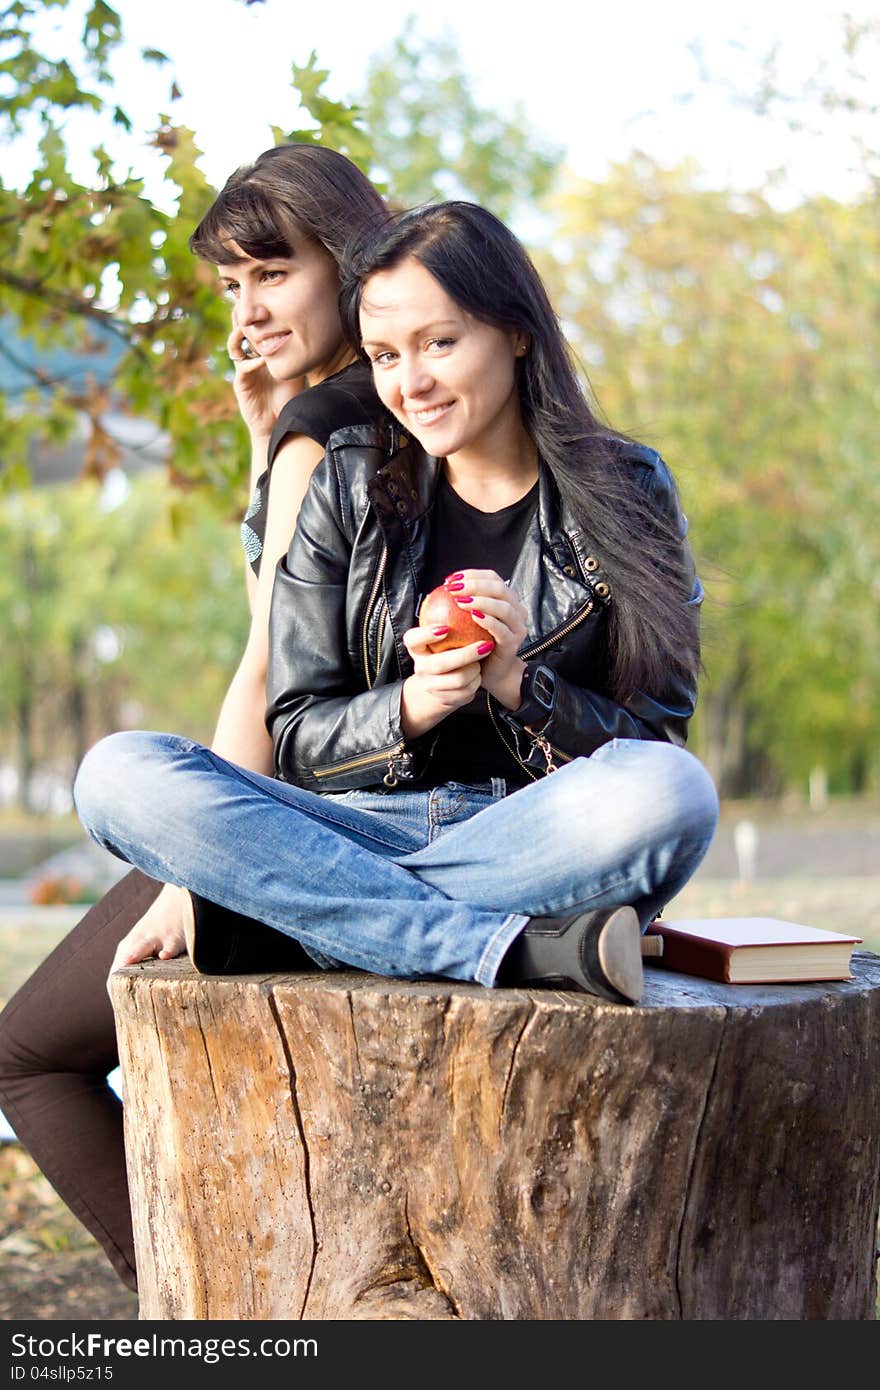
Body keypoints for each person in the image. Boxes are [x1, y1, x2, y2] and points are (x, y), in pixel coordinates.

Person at [72, 200, 719, 1013]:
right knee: (118, 774)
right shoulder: (348, 482)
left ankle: (307, 924)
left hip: (530, 837)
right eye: (383, 355)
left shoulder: (626, 491)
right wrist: (409, 707)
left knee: (673, 794)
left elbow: (654, 737)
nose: (408, 384)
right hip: (351, 826)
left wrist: (522, 688)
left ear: (516, 331)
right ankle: (506, 951)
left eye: (438, 343)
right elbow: (299, 735)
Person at [0, 144, 389, 1293]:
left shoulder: (330, 427)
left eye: (271, 272)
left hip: (302, 816)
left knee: (25, 1057)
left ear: (349, 259)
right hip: (371, 801)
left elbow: (270, 667)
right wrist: (267, 441)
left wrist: (193, 866)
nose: (248, 310)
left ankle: (194, 1311)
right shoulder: (401, 403)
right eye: (230, 286)